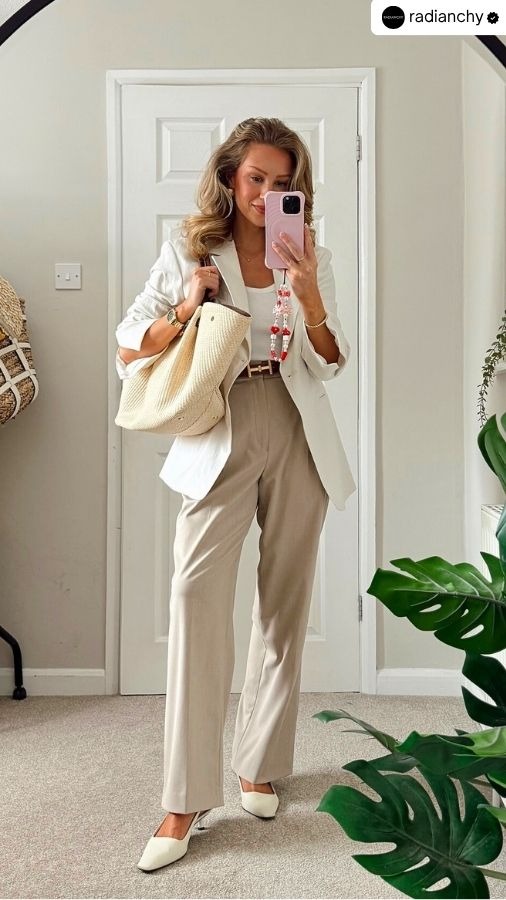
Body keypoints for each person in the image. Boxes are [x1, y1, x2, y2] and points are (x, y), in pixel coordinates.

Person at [116, 117, 356, 872]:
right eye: (256, 178)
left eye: (283, 183)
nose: (266, 194)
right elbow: (127, 343)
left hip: (295, 422)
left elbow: (331, 361)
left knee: (284, 603)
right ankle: (184, 799)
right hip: (220, 424)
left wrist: (310, 296)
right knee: (195, 598)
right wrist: (188, 304)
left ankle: (260, 764)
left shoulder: (310, 255)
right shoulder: (190, 251)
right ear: (230, 177)